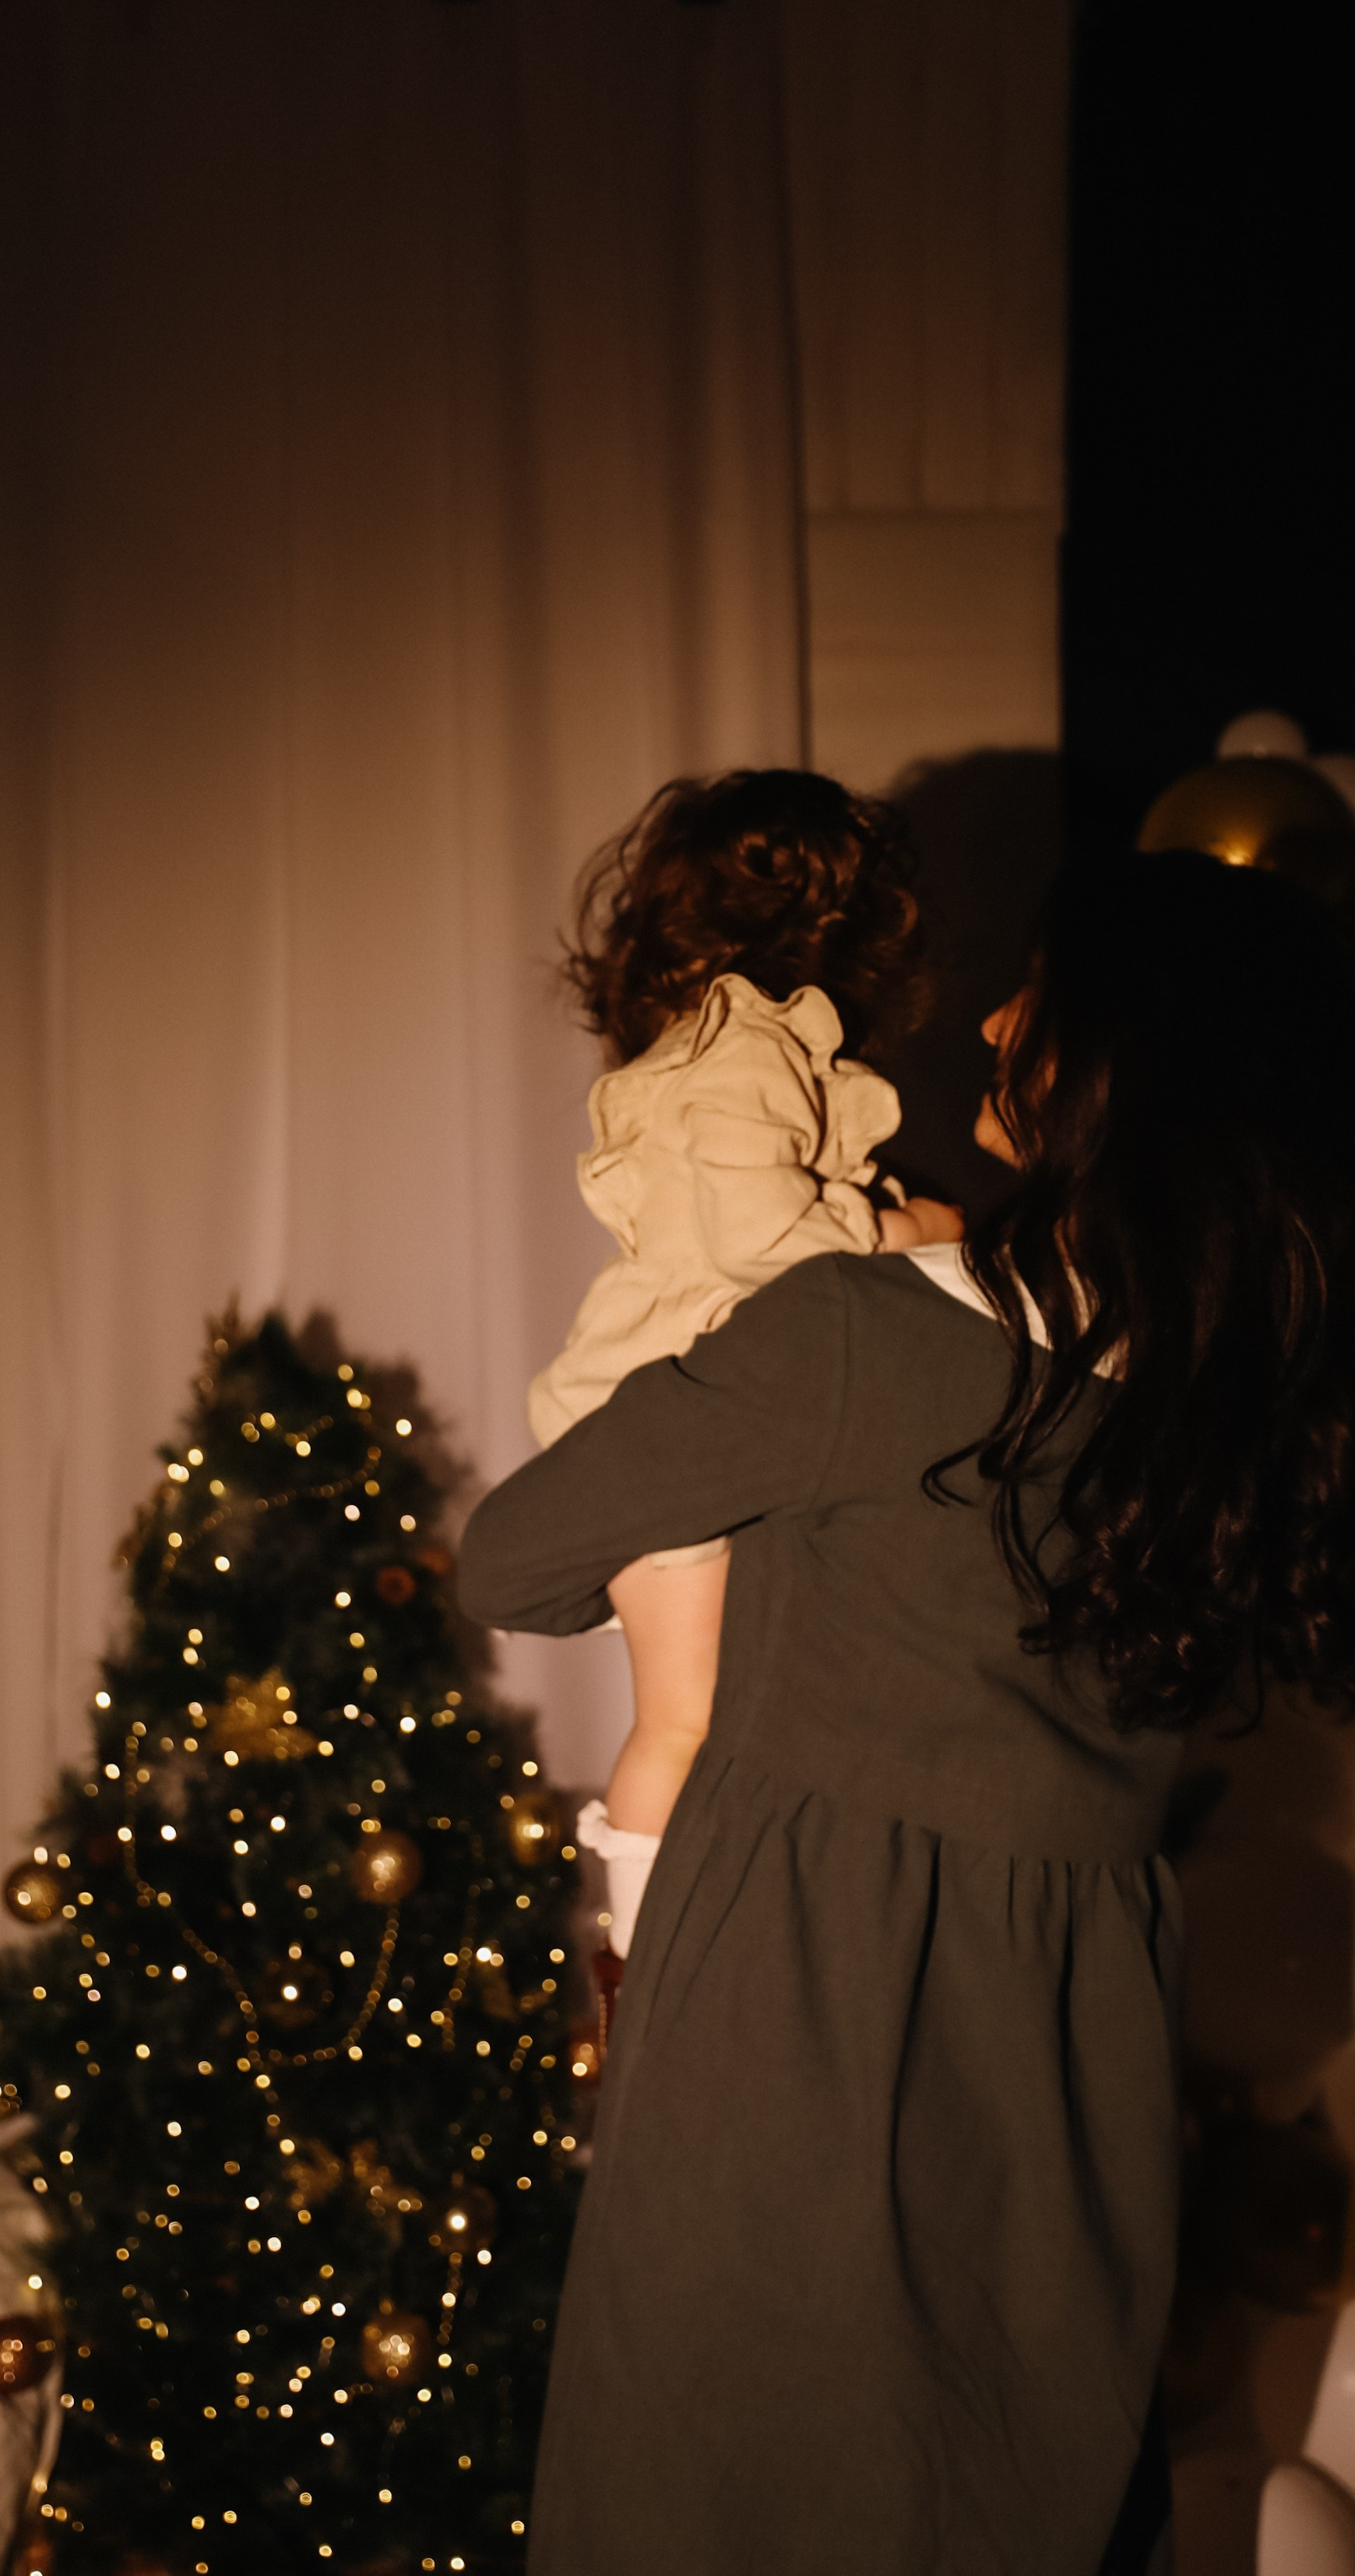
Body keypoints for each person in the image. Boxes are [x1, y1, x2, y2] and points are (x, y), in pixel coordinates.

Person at [459, 850, 1355, 2575]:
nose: (997, 1026)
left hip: (797, 2008)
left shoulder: (857, 1336)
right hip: (1070, 2051)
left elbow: (515, 1557)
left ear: (1116, 1060)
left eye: (1038, 996)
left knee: (712, 2498)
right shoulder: (1224, 1416)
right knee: (1004, 2483)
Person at [529, 770, 961, 1956]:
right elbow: (762, 1242)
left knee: (728, 1719)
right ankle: (642, 1970)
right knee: (684, 1719)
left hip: (696, 1421)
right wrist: (906, 1231)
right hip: (667, 1431)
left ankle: (700, 1950)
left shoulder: (738, 1052)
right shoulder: (745, 1050)